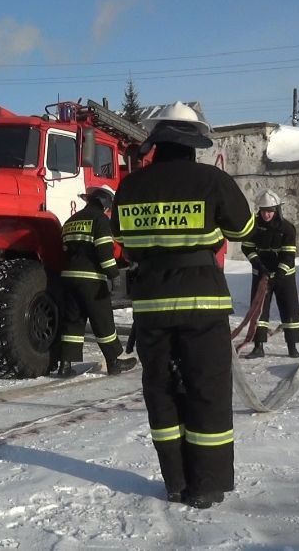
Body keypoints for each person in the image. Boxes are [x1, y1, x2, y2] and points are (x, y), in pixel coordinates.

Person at [109, 101, 255, 509]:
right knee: (206, 390)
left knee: (162, 391)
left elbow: (125, 244)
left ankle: (174, 481)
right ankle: (205, 485)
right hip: (201, 305)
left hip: (152, 306)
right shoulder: (212, 180)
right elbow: (241, 228)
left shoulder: (131, 187)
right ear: (193, 146)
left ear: (158, 145)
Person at [54, 184, 138, 376]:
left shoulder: (71, 220)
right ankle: (114, 361)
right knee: (103, 320)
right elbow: (104, 253)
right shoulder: (100, 220)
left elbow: (64, 249)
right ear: (105, 203)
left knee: (73, 322)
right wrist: (114, 275)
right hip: (91, 279)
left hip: (68, 278)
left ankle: (65, 365)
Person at [242, 189, 299, 358]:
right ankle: (258, 347)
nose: (266, 215)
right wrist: (260, 268)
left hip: (284, 275)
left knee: (289, 308)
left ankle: (291, 346)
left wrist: (279, 274)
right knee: (259, 311)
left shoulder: (288, 228)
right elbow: (247, 247)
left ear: (277, 210)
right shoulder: (253, 226)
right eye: (263, 211)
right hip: (261, 275)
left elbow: (289, 254)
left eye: (270, 211)